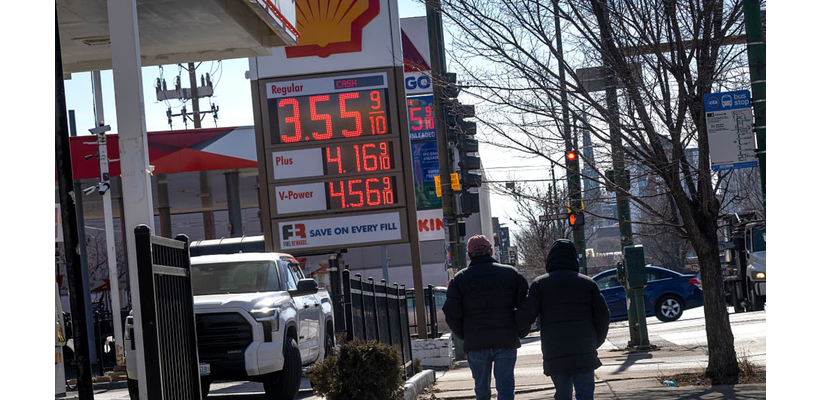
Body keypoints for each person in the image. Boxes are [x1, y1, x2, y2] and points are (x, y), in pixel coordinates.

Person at [515, 239, 610, 400]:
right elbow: (603, 316)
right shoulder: (588, 284)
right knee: (586, 393)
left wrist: (516, 329)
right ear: (574, 258)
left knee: (562, 394)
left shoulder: (540, 284)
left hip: (555, 349)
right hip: (584, 348)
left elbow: (527, 314)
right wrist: (595, 342)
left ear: (551, 258)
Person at [442, 234, 530, 400]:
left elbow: (451, 313)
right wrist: (519, 330)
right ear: (490, 252)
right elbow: (527, 307)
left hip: (475, 341)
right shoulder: (511, 274)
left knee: (481, 390)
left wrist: (464, 334)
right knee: (505, 387)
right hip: (505, 339)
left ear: (469, 255)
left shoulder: (459, 279)